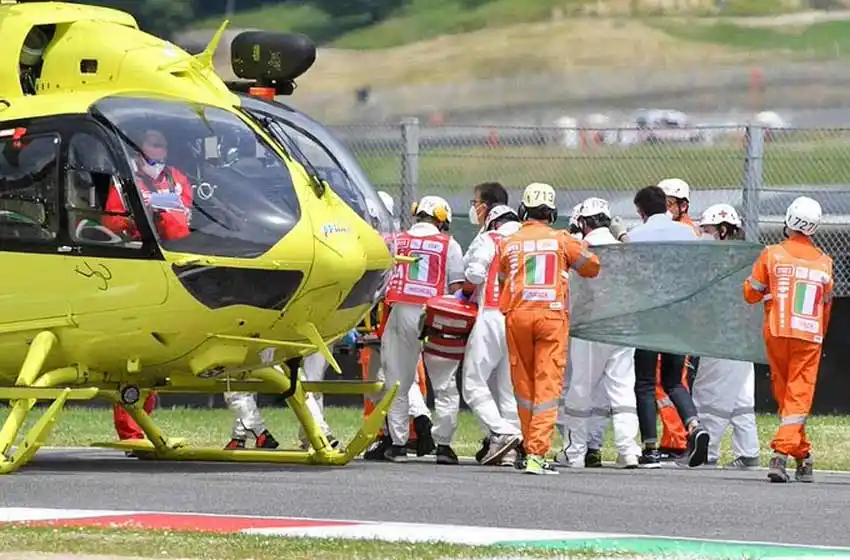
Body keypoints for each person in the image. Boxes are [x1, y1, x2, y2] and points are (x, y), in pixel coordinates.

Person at [498, 182, 601, 475]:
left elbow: (503, 280)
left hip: (517, 315)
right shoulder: (561, 240)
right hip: (551, 317)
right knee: (547, 385)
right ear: (552, 212)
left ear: (523, 210)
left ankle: (529, 447)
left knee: (523, 386)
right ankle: (536, 454)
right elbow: (592, 266)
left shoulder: (510, 242)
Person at [106, 129, 193, 445]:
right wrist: (140, 219)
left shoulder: (177, 178)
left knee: (157, 355)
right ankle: (131, 431)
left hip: (170, 265)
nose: (158, 149)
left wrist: (162, 214)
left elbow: (184, 216)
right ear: (141, 148)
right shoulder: (124, 177)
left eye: (163, 144)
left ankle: (141, 424)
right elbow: (112, 220)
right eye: (153, 144)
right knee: (134, 352)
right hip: (134, 265)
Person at [744, 196, 833, 483]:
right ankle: (780, 455)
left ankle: (803, 456)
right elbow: (826, 308)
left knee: (786, 397)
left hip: (777, 331)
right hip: (808, 336)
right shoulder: (825, 263)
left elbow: (750, 293)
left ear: (789, 221)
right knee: (797, 398)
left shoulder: (771, 254)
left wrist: (767, 291)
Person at [626, 185, 709, 469]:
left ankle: (650, 448)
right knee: (675, 380)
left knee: (646, 383)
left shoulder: (636, 235)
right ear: (666, 206)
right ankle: (695, 426)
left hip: (650, 315)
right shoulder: (687, 233)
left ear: (641, 211)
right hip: (681, 315)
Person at [556, 197, 641, 469]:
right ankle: (628, 450)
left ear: (582, 222)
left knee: (581, 388)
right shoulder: (624, 248)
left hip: (589, 326)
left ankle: (575, 452)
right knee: (623, 389)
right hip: (623, 325)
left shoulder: (581, 248)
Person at [380, 195, 464, 462]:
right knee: (444, 384)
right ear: (442, 218)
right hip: (436, 314)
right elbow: (456, 288)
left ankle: (398, 444)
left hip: (401, 312)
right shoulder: (449, 244)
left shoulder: (397, 240)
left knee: (397, 381)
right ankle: (443, 446)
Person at [690, 204, 760, 469]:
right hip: (743, 338)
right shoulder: (746, 258)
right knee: (741, 398)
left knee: (708, 392)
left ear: (721, 230)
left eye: (706, 229)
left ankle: (707, 452)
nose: (703, 234)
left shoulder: (721, 261)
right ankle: (748, 451)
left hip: (722, 336)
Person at [457, 204, 523, 467]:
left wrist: (466, 290)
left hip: (492, 315)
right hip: (519, 317)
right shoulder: (526, 240)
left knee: (473, 384)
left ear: (494, 223)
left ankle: (503, 431)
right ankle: (511, 451)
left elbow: (473, 273)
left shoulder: (489, 238)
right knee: (508, 390)